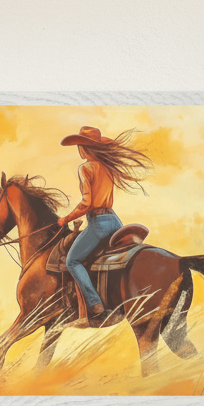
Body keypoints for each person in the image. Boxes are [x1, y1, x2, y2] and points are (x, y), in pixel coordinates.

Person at [58, 126, 152, 319]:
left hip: (98, 224)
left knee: (72, 261)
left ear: (84, 148)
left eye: (79, 146)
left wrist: (65, 219)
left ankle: (95, 304)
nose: (78, 149)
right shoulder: (108, 167)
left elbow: (86, 203)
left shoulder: (85, 168)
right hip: (115, 221)